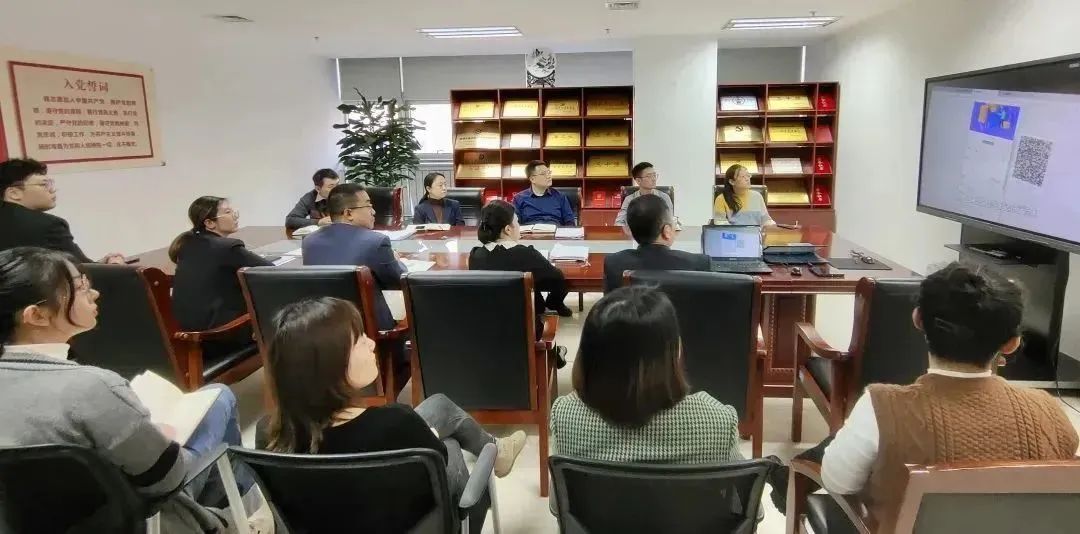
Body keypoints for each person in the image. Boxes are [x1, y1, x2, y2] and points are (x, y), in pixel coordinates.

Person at [789, 263, 1078, 532]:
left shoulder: (882, 407)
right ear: (1012, 343)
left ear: (918, 319)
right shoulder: (1048, 412)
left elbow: (837, 481)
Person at [0, 247, 245, 533]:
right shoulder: (93, 387)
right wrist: (162, 439)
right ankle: (237, 514)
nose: (94, 294)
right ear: (37, 315)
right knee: (219, 397)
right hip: (136, 519)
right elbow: (166, 480)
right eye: (80, 287)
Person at [263, 297, 526, 533]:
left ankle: (498, 449)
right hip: (413, 522)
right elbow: (440, 459)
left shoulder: (272, 436)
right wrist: (428, 436)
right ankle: (493, 456)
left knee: (438, 405)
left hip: (337, 519)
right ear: (331, 365)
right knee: (451, 446)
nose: (371, 343)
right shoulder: (395, 423)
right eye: (359, 340)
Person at [551, 285, 741, 462]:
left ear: (586, 357)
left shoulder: (566, 416)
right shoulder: (718, 422)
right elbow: (739, 485)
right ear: (675, 352)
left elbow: (562, 487)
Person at [169, 196, 271, 357]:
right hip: (220, 336)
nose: (235, 215)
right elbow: (271, 272)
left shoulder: (187, 244)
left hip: (189, 336)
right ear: (210, 223)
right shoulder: (228, 248)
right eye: (228, 212)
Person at [302, 183, 404, 333]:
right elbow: (399, 280)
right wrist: (396, 260)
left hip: (323, 325)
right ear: (348, 213)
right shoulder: (376, 242)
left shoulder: (309, 241)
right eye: (368, 206)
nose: (374, 212)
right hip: (370, 327)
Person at [0, 158, 124, 264]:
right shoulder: (48, 225)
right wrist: (115, 267)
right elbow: (82, 274)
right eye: (44, 185)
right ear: (14, 193)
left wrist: (98, 265)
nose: (52, 190)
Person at [469, 199, 572, 321]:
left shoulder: (475, 255)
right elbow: (557, 278)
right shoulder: (526, 255)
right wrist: (552, 301)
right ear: (508, 229)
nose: (519, 226)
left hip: (487, 324)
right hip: (523, 327)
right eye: (517, 222)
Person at [603, 194, 710, 293]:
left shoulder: (614, 263)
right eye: (673, 221)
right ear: (666, 231)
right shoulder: (699, 263)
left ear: (631, 230)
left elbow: (610, 304)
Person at [511, 160, 576, 226]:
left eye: (549, 173)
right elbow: (514, 223)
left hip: (555, 230)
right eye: (543, 174)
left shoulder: (560, 197)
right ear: (532, 179)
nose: (549, 176)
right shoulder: (519, 198)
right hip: (530, 231)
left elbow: (570, 222)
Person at [614, 161, 673, 226]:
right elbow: (619, 222)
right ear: (638, 181)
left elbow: (670, 221)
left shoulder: (664, 197)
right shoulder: (629, 199)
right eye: (649, 176)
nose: (653, 179)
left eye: (654, 175)